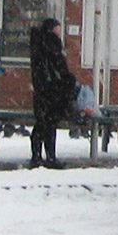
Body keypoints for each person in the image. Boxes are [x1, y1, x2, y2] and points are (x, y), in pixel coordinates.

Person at [28, 18, 77, 169]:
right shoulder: (51, 43)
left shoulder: (37, 44)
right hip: (53, 89)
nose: (59, 31)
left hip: (41, 88)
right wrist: (68, 80)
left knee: (41, 122)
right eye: (57, 28)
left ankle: (36, 156)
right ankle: (50, 156)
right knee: (50, 123)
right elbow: (60, 66)